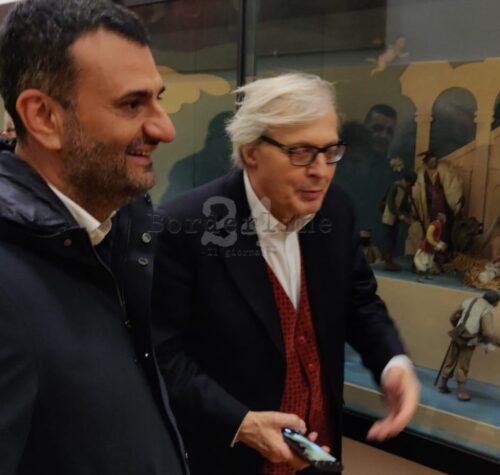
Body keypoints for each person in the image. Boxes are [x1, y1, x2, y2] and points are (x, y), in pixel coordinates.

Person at [153, 73, 420, 475]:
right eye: (302, 152)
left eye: (330, 151)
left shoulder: (335, 209)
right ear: (250, 152)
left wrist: (392, 363)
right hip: (227, 461)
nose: (321, 171)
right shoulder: (184, 226)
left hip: (318, 454)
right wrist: (242, 423)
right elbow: (164, 357)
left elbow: (359, 301)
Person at [0, 1, 188, 474]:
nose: (165, 128)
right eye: (132, 104)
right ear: (43, 117)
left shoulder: (116, 237)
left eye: (158, 98)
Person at [437, 291, 500, 401]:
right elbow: (487, 332)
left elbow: (453, 317)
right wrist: (493, 342)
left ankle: (443, 384)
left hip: (457, 334)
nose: (496, 305)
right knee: (463, 365)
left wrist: (459, 329)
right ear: (494, 301)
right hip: (469, 339)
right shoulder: (487, 309)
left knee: (450, 359)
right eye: (497, 303)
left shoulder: (469, 300)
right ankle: (461, 392)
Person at [409, 150, 464, 254]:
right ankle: (432, 250)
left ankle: (443, 251)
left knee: (444, 229)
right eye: (431, 161)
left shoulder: (444, 171)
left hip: (442, 205)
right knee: (431, 229)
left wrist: (456, 203)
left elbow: (453, 187)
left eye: (435, 161)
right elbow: (417, 191)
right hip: (429, 207)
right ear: (426, 162)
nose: (433, 163)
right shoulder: (421, 174)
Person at [381, 172, 418, 271]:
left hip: (395, 219)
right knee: (389, 240)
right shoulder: (395, 186)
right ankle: (388, 262)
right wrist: (400, 215)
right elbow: (390, 203)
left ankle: (390, 260)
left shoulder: (404, 189)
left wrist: (410, 213)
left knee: (393, 240)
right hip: (389, 217)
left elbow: (404, 204)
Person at [414, 213, 447, 281]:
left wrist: (440, 244)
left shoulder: (438, 225)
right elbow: (429, 236)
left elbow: (436, 238)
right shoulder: (434, 224)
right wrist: (437, 245)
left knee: (429, 262)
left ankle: (427, 275)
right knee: (423, 261)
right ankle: (420, 277)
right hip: (426, 247)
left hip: (431, 248)